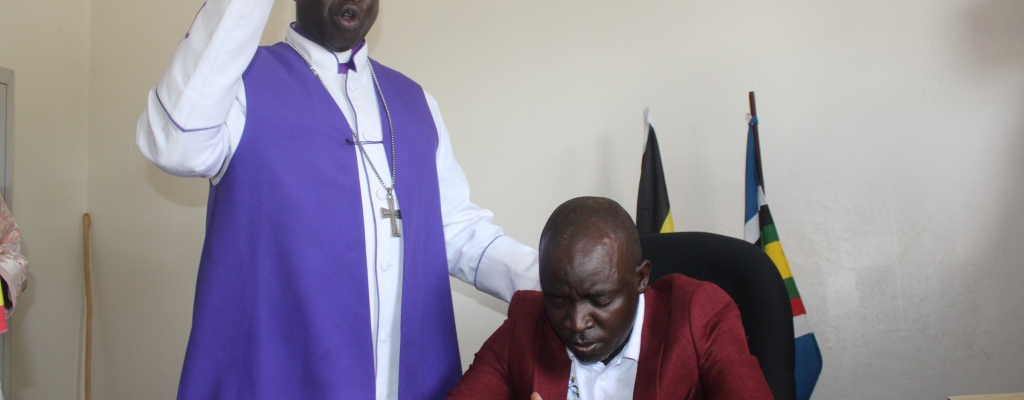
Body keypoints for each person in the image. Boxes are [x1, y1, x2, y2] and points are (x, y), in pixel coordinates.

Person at [136, 0, 539, 398]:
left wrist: (560, 283)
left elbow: (456, 230)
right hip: (274, 378)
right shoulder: (236, 88)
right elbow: (175, 147)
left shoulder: (416, 102)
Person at [446, 197, 773, 400]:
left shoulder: (698, 315)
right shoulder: (527, 324)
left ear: (641, 278)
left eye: (599, 300)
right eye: (558, 299)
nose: (576, 323)